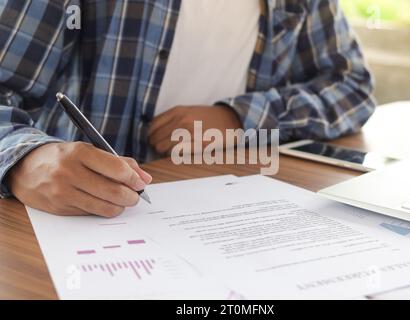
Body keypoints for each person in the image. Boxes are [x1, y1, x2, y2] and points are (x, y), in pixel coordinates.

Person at [0, 0, 376, 217]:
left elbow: (350, 86)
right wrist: (25, 159)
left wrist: (239, 118)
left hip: (228, 217)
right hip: (76, 217)